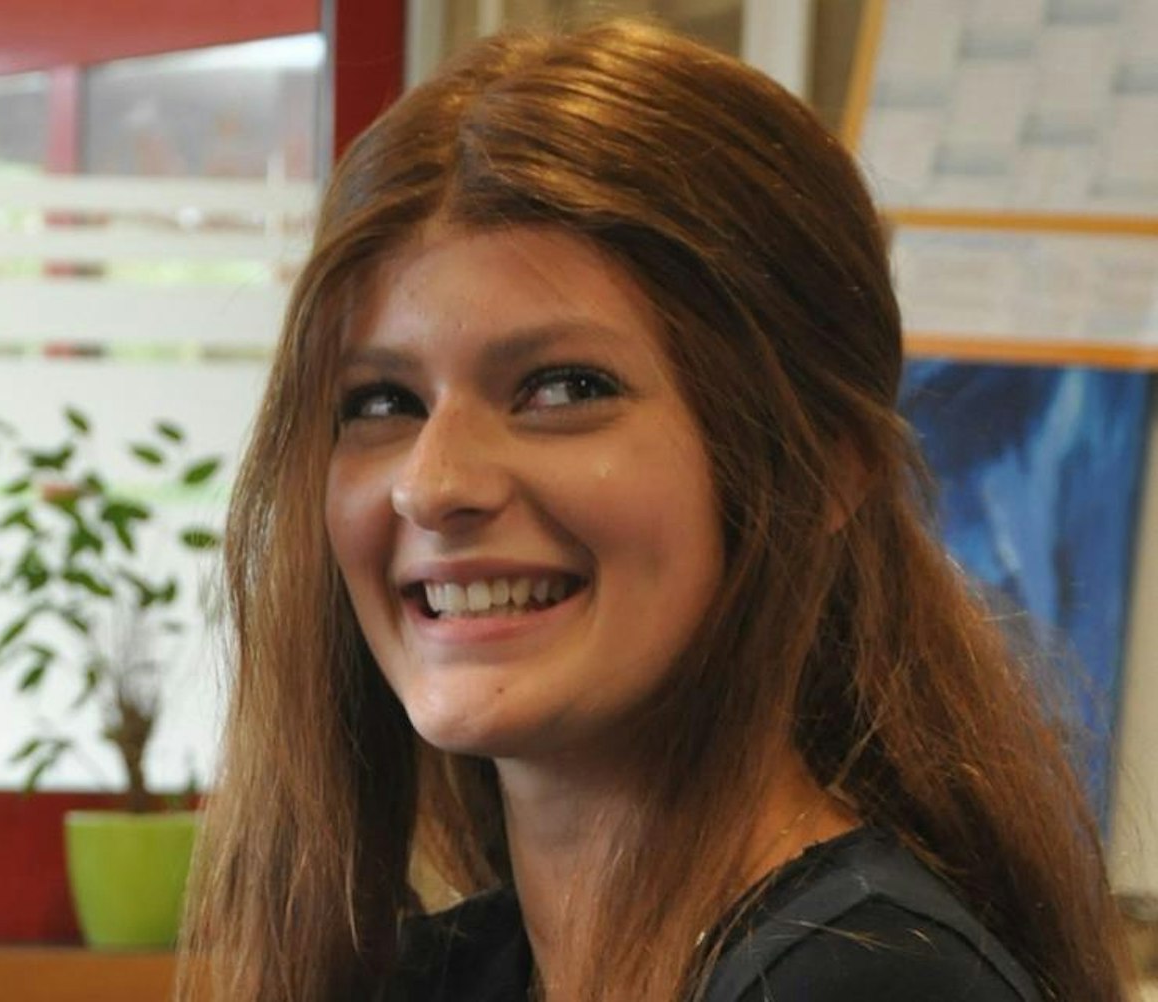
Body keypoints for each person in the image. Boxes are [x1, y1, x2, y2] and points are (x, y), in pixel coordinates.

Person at [178, 19, 1135, 1002]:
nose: (432, 483)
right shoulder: (435, 976)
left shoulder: (866, 984)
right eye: (382, 401)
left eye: (564, 388)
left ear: (823, 470)